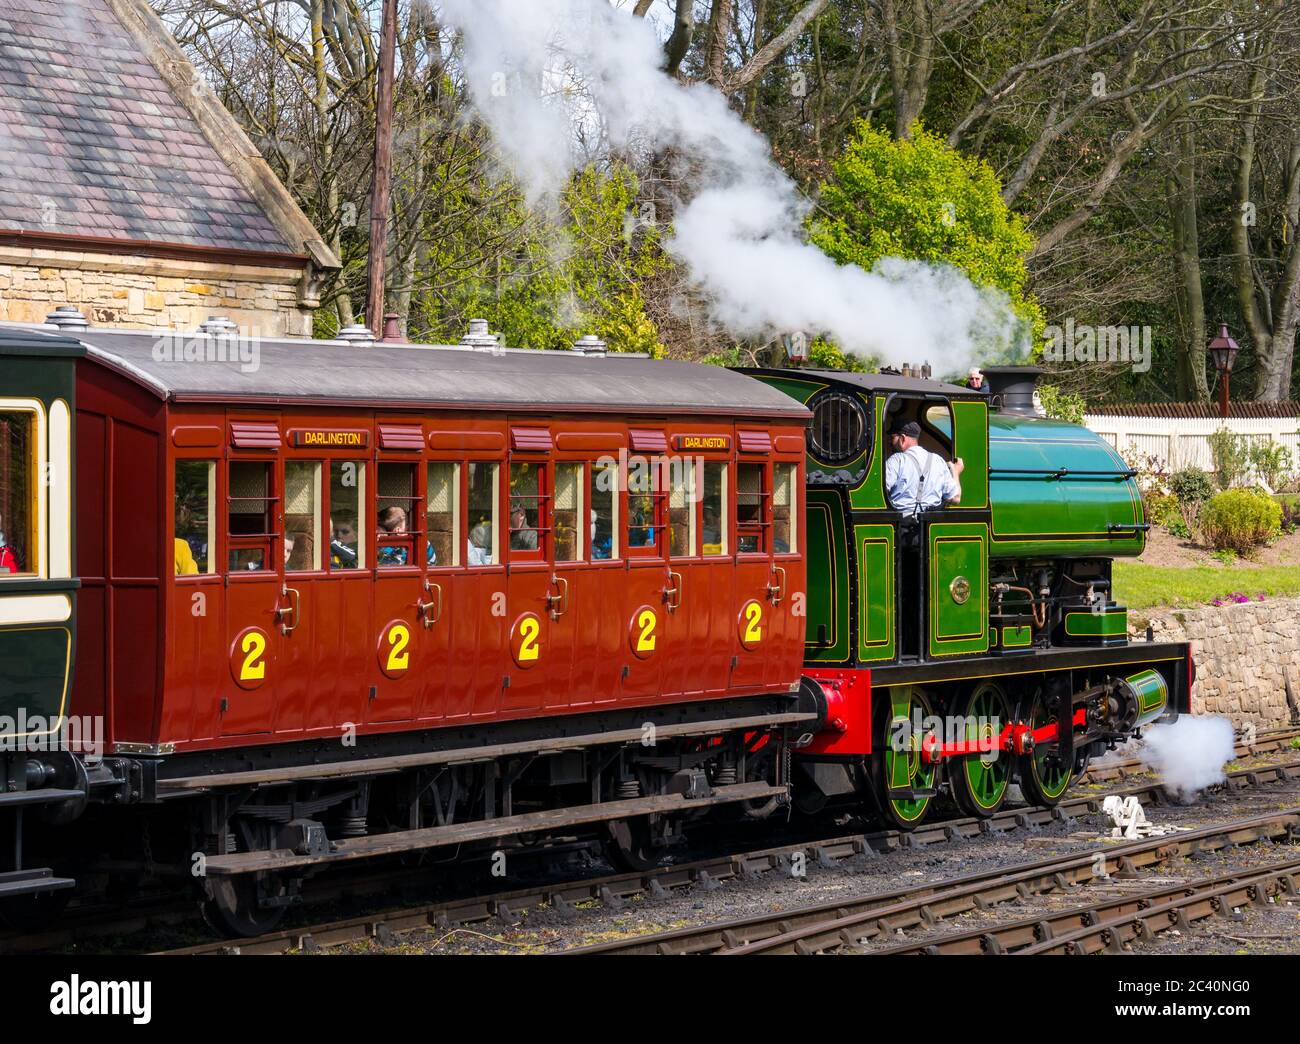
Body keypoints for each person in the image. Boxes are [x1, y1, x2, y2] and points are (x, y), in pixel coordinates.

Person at [884, 419, 964, 516]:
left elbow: (879, 489)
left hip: (901, 524)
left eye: (892, 438)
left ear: (902, 439)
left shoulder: (896, 460)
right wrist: (956, 472)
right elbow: (955, 498)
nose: (890, 442)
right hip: (929, 523)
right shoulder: (938, 460)